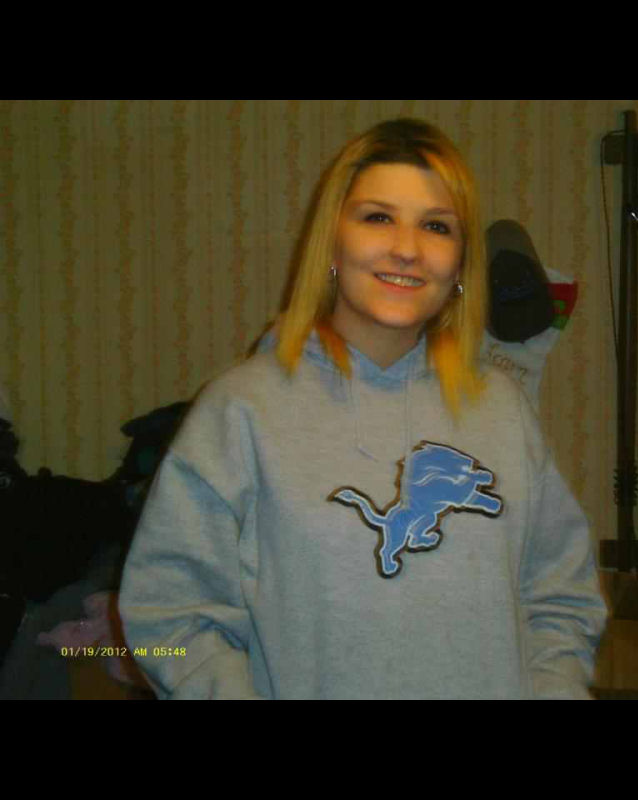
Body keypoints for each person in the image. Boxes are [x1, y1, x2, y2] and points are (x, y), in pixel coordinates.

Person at [118, 118, 608, 700]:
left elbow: (561, 597)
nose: (407, 248)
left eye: (436, 226)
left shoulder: (503, 409)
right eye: (378, 217)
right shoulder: (240, 409)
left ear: (460, 263)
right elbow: (167, 617)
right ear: (331, 242)